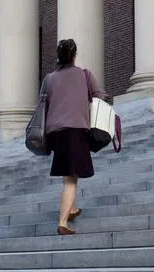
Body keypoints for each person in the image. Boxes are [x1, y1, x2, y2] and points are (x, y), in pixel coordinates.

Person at [40, 38, 106, 235]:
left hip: (55, 133)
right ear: (74, 56)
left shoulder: (49, 78)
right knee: (71, 179)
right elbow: (100, 96)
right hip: (75, 130)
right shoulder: (84, 75)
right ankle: (62, 222)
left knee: (70, 171)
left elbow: (43, 102)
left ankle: (73, 207)